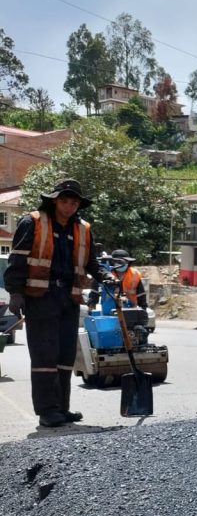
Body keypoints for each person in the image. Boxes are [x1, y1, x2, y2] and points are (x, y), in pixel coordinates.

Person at [5, 179, 114, 427]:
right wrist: (15, 293)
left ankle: (61, 409)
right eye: (64, 201)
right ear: (54, 200)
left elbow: (91, 263)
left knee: (65, 354)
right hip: (41, 297)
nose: (69, 206)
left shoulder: (83, 228)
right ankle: (47, 411)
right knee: (45, 354)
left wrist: (105, 277)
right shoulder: (32, 222)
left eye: (73, 202)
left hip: (69, 297)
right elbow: (17, 260)